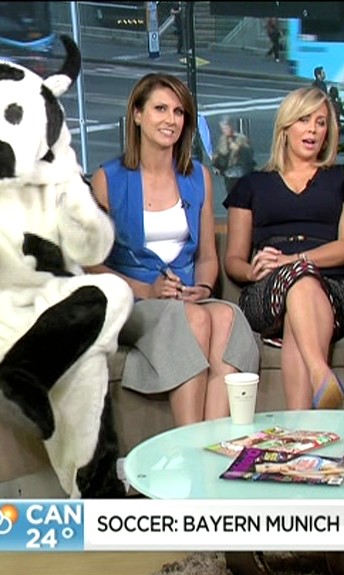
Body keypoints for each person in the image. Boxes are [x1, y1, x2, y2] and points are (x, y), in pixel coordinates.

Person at [89, 73, 259, 427]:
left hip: (185, 297)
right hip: (133, 302)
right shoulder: (108, 178)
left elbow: (207, 256)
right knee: (194, 319)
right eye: (161, 109)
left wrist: (204, 287)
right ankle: (189, 440)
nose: (171, 120)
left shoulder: (198, 177)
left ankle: (213, 441)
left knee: (226, 318)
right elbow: (91, 265)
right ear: (137, 114)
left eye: (179, 112)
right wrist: (147, 290)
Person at [223, 86, 344, 410]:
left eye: (321, 122)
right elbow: (233, 260)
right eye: (304, 120)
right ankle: (321, 374)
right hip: (267, 290)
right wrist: (252, 271)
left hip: (336, 290)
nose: (313, 130)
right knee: (297, 281)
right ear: (286, 127)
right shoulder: (251, 185)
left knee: (299, 289)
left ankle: (300, 423)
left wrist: (294, 260)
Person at [212, 116, 256, 193]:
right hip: (228, 175)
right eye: (223, 128)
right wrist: (216, 166)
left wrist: (239, 149)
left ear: (231, 126)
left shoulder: (241, 138)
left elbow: (249, 154)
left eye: (226, 127)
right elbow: (218, 155)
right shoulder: (222, 140)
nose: (224, 130)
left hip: (240, 174)